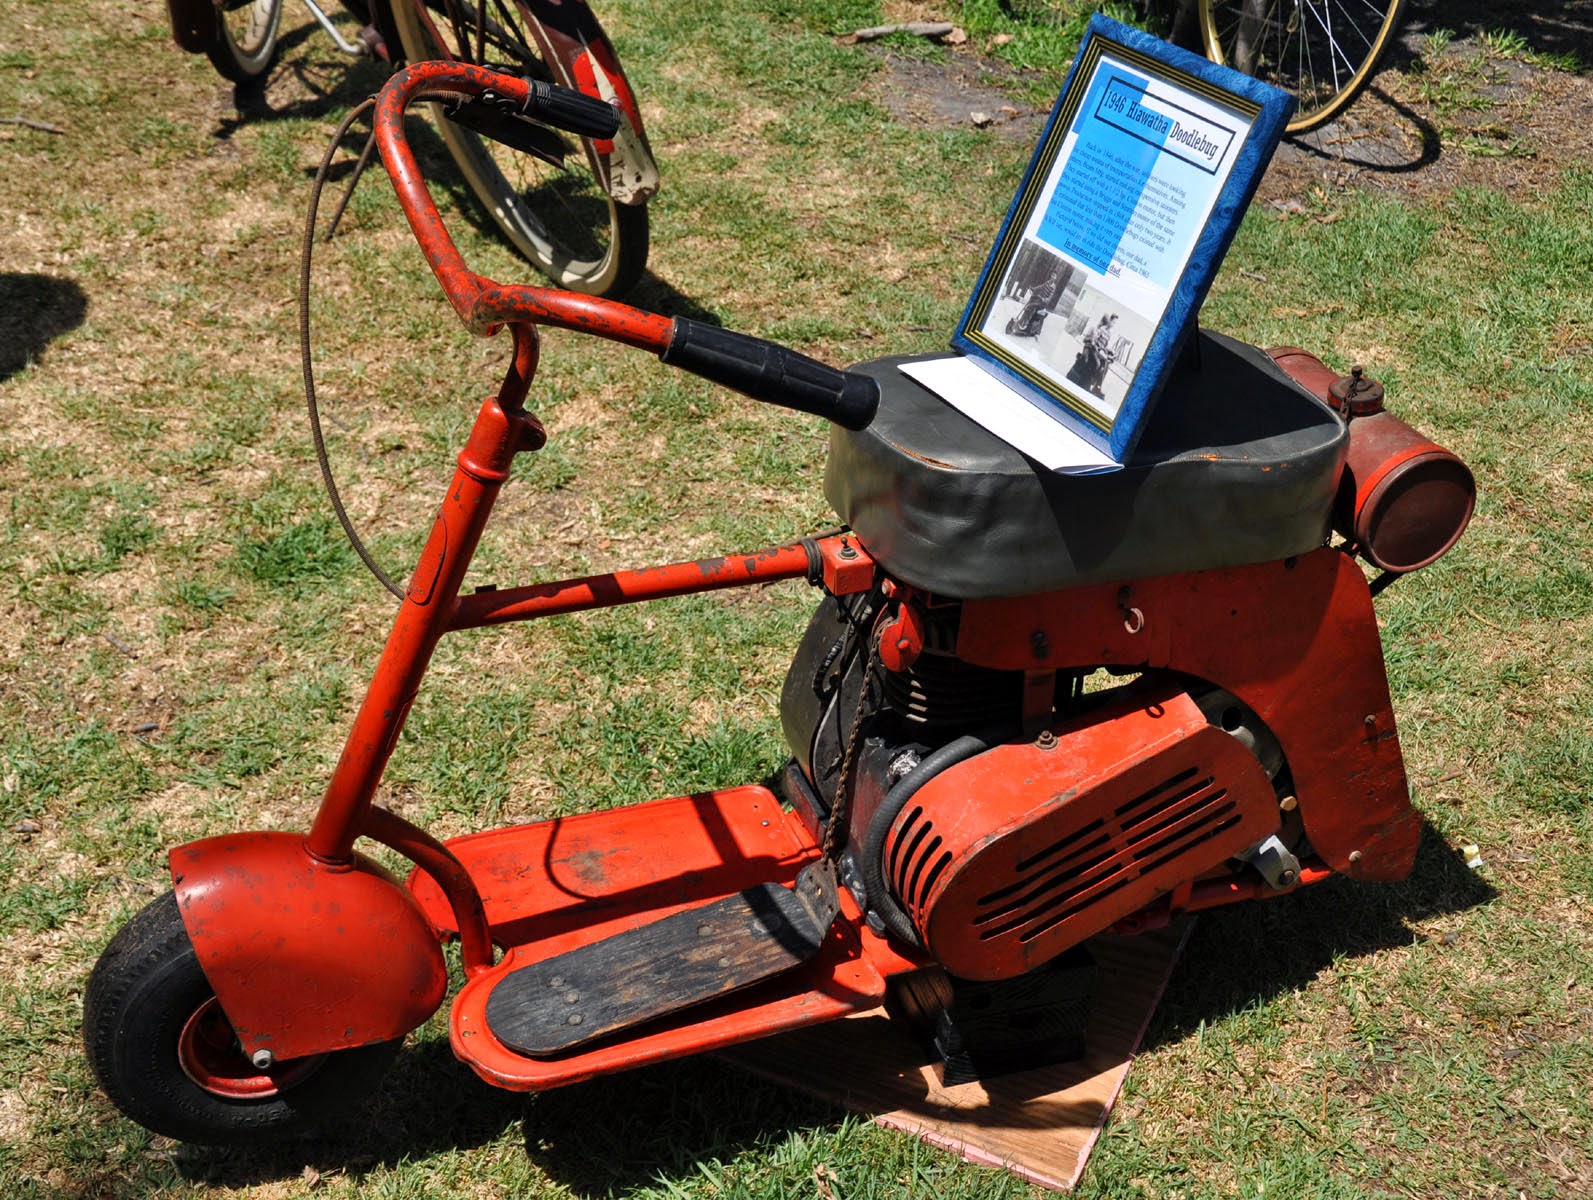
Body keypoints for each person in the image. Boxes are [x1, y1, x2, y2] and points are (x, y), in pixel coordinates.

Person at [1067, 313, 1118, 397]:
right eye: (1112, 322)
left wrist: (1111, 351)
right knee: (1098, 364)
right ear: (1109, 321)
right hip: (1094, 350)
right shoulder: (1101, 329)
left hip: (1100, 351)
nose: (1113, 325)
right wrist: (1099, 350)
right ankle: (1090, 384)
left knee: (1106, 365)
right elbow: (1095, 341)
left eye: (1115, 324)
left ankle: (1097, 387)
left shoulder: (1109, 334)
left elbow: (1105, 346)